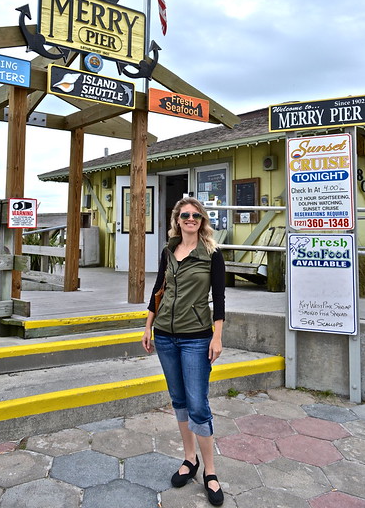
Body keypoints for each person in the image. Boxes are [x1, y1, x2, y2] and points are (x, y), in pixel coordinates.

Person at [142, 197, 225, 506]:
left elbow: (219, 297)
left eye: (196, 215)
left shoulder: (212, 254)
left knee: (198, 405)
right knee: (178, 400)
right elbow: (158, 290)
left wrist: (217, 337)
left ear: (202, 221)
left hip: (196, 339)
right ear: (177, 220)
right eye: (185, 215)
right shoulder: (168, 252)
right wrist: (148, 326)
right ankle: (190, 459)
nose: (190, 219)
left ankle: (211, 472)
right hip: (164, 336)